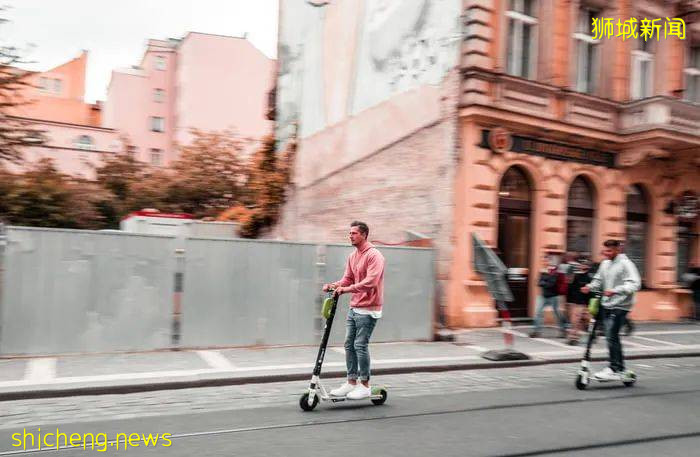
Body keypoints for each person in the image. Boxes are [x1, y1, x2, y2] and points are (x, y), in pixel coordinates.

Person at [322, 221, 385, 400]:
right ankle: (351, 382)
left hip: (369, 308)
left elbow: (371, 282)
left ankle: (364, 385)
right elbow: (347, 279)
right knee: (349, 345)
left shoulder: (375, 256)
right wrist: (334, 286)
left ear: (364, 235)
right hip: (355, 307)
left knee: (360, 345)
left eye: (354, 233)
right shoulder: (353, 256)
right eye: (349, 233)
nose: (350, 236)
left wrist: (346, 290)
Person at [581, 239, 641, 381]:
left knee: (611, 335)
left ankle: (614, 368)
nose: (606, 253)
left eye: (609, 251)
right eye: (605, 250)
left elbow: (635, 284)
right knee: (611, 336)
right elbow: (598, 281)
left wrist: (615, 291)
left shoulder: (626, 264)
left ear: (617, 250)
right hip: (607, 304)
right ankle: (619, 368)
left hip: (621, 305)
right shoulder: (605, 264)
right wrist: (589, 287)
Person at [530, 253, 568, 338]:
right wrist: (544, 281)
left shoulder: (554, 270)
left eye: (545, 260)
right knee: (537, 313)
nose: (543, 262)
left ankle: (563, 330)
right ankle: (536, 331)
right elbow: (538, 282)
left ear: (549, 260)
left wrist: (544, 280)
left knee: (557, 314)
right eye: (542, 260)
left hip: (554, 296)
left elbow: (551, 283)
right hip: (543, 295)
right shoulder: (542, 270)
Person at [565, 258, 593, 345]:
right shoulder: (576, 276)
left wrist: (589, 304)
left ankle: (592, 335)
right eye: (582, 264)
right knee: (575, 321)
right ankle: (573, 338)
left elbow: (591, 292)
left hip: (585, 303)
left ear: (588, 267)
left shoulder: (589, 278)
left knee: (588, 321)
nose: (582, 266)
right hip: (576, 303)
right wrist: (568, 301)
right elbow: (570, 289)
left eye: (585, 264)